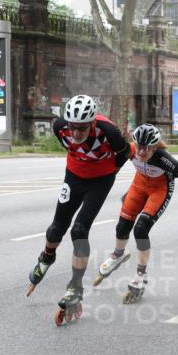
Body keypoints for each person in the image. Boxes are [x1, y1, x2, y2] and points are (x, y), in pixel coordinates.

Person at [27, 94, 130, 326]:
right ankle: (46, 257)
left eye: (82, 129)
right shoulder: (59, 127)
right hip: (74, 175)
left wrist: (106, 170)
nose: (75, 133)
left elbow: (124, 155)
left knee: (79, 230)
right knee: (56, 230)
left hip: (101, 180)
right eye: (73, 127)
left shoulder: (109, 132)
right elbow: (70, 144)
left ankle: (75, 287)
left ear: (92, 123)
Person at [94, 124, 178, 303]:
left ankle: (141, 276)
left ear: (155, 147)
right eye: (140, 146)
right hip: (139, 185)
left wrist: (165, 166)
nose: (142, 152)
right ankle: (117, 255)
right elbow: (114, 163)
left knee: (141, 229)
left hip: (160, 189)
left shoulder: (162, 157)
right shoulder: (132, 150)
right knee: (123, 224)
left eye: (147, 148)